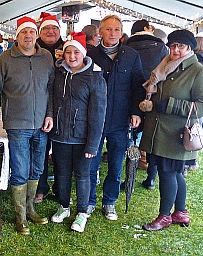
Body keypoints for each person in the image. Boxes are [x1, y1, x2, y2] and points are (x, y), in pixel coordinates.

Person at [0, 16, 54, 235]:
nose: (28, 36)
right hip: (17, 125)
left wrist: (50, 114)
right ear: (17, 36)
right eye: (23, 32)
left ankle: (30, 208)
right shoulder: (4, 59)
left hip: (41, 125)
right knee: (19, 170)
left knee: (37, 168)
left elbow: (51, 89)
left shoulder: (46, 57)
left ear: (36, 35)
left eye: (31, 32)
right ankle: (20, 217)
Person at [139, 30, 203, 231]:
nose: (175, 50)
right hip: (159, 130)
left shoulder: (198, 71)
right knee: (175, 174)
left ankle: (164, 216)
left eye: (181, 46)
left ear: (190, 48)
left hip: (175, 134)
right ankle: (180, 213)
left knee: (168, 174)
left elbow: (201, 106)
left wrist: (167, 105)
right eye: (173, 45)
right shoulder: (166, 66)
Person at [86, 14, 146, 220]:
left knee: (115, 164)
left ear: (121, 33)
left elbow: (138, 85)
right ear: (100, 32)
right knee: (91, 163)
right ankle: (90, 201)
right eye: (108, 29)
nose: (112, 33)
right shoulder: (89, 55)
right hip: (94, 119)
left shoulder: (131, 55)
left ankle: (109, 202)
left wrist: (136, 112)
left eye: (117, 30)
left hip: (120, 120)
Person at [49, 32, 106, 232]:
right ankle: (64, 206)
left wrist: (93, 144)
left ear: (84, 54)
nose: (72, 56)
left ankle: (82, 213)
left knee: (83, 175)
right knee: (62, 173)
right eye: (68, 52)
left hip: (82, 138)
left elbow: (98, 114)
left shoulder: (95, 78)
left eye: (76, 52)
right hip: (60, 135)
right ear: (62, 54)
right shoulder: (58, 74)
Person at [126, 19, 169, 189]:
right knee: (151, 137)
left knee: (131, 136)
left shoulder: (126, 46)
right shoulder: (161, 48)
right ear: (146, 29)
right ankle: (151, 177)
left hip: (130, 94)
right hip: (153, 97)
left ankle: (130, 175)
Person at [34, 12, 64, 204]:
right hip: (40, 106)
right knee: (40, 150)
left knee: (61, 151)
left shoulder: (69, 48)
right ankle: (40, 187)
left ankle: (61, 190)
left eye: (54, 28)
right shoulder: (32, 49)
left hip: (63, 106)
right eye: (46, 28)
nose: (50, 31)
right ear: (39, 32)